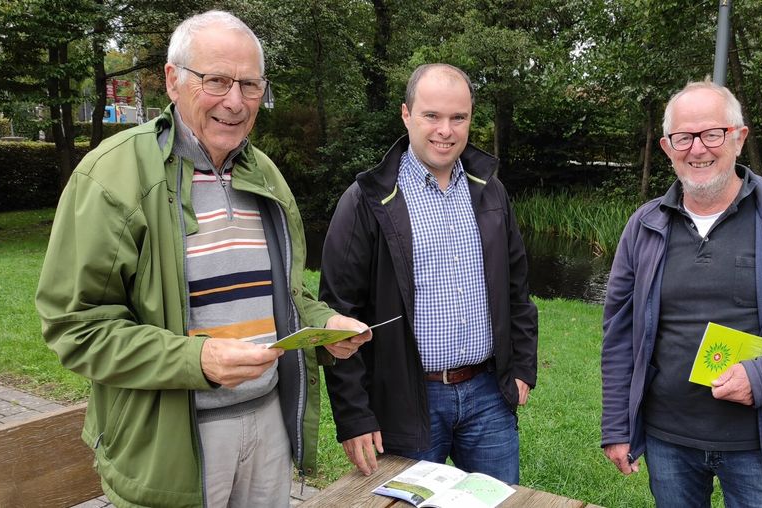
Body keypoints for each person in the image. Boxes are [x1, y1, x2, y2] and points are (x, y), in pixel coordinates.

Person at [35, 11, 370, 507]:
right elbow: (76, 328)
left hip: (267, 428)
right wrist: (197, 359)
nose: (235, 101)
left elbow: (283, 294)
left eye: (250, 85)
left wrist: (324, 325)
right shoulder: (111, 176)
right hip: (169, 444)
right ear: (173, 81)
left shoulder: (267, 175)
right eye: (216, 81)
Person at [600, 79, 762, 507]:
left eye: (712, 133)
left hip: (760, 442)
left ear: (738, 138)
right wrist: (616, 425)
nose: (697, 149)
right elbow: (620, 333)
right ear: (667, 147)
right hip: (668, 441)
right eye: (684, 137)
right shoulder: (644, 225)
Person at [318, 63, 538, 485]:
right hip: (406, 401)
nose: (446, 130)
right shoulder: (367, 200)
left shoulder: (490, 189)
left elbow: (517, 289)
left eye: (459, 117)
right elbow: (336, 315)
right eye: (431, 116)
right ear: (406, 114)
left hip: (487, 394)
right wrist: (354, 416)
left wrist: (523, 366)